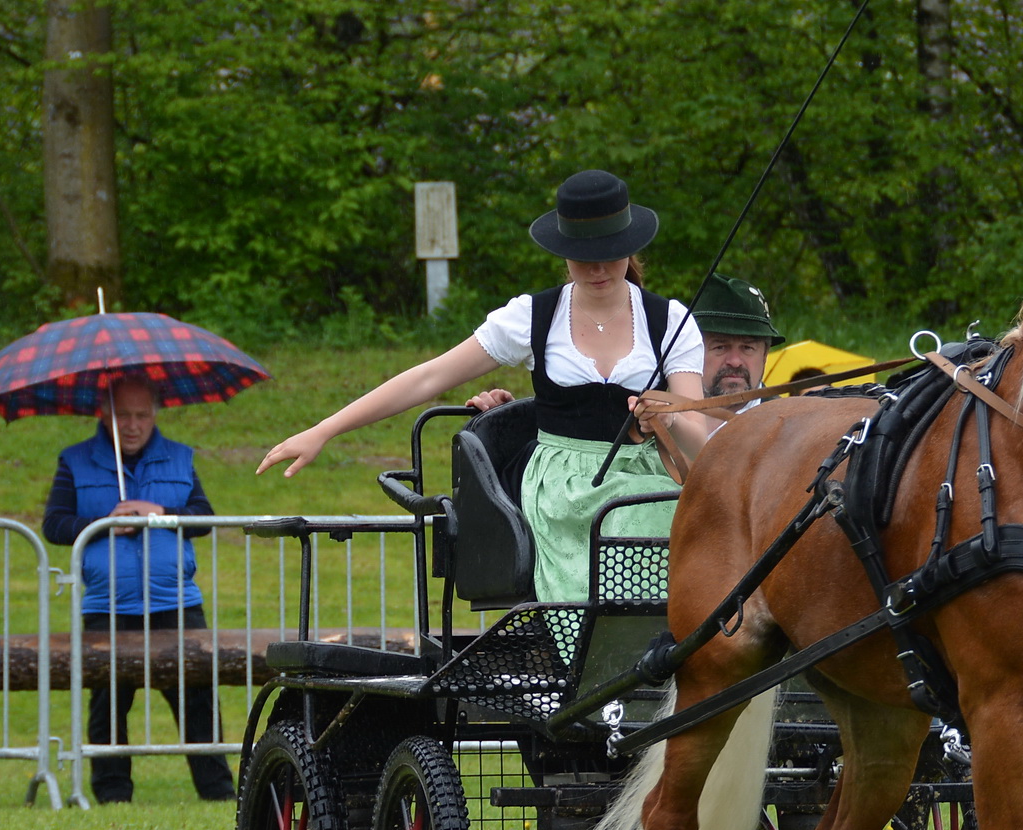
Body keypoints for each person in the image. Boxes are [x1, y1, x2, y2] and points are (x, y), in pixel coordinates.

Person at [259, 169, 710, 602]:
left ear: (631, 248)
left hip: (648, 478)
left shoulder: (670, 322)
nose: (597, 269)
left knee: (658, 516)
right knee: (619, 526)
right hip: (561, 490)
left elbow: (698, 432)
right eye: (583, 256)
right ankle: (604, 652)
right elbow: (429, 376)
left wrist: (668, 413)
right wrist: (324, 430)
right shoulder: (531, 317)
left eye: (610, 254)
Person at [42, 376, 236, 804]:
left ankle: (218, 791)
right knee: (108, 700)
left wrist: (159, 513)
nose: (132, 425)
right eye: (122, 416)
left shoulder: (181, 459)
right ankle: (112, 793)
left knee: (197, 698)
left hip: (176, 601)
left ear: (155, 414)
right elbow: (54, 525)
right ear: (103, 414)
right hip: (106, 604)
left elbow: (203, 518)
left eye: (141, 415)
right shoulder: (74, 461)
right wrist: (102, 524)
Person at [693, 273, 784, 401]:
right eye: (720, 347)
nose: (735, 362)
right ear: (693, 353)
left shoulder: (792, 419)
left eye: (747, 348)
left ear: (764, 354)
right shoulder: (664, 417)